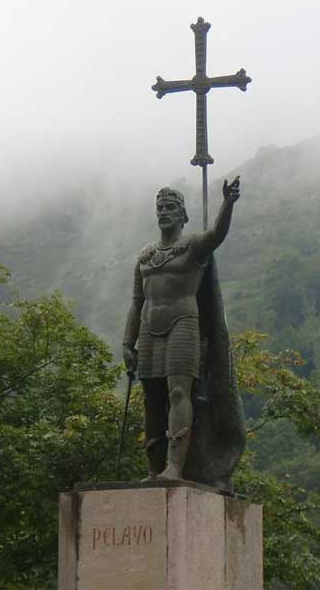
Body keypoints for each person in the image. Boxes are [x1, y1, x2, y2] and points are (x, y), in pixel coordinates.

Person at [122, 177, 242, 483]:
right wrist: (127, 342)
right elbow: (137, 302)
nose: (164, 211)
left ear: (183, 215)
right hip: (150, 327)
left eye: (171, 207)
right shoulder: (146, 255)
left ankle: (174, 466)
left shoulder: (191, 247)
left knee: (178, 391)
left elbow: (217, 234)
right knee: (152, 398)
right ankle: (153, 469)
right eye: (160, 207)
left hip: (183, 324)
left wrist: (227, 203)